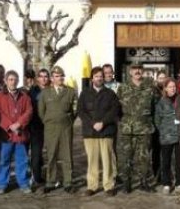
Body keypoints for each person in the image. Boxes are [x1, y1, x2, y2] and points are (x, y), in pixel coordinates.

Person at [77, 67, 120, 197]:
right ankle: (92, 185)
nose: (99, 78)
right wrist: (93, 123)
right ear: (92, 79)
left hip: (106, 130)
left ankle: (109, 185)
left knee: (107, 160)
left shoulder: (110, 94)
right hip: (90, 132)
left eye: (101, 76)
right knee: (92, 160)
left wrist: (103, 123)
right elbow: (81, 111)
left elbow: (114, 110)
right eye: (96, 76)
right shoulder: (85, 93)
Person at [117, 62, 155, 193]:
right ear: (130, 72)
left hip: (144, 128)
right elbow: (117, 108)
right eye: (134, 69)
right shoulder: (123, 87)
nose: (137, 71)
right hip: (128, 128)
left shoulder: (150, 87)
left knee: (143, 157)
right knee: (127, 157)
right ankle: (127, 183)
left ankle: (143, 182)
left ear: (142, 71)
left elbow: (155, 106)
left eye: (139, 69)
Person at [0, 70, 33, 194]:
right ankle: (2, 184)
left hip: (20, 134)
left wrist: (19, 123)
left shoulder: (24, 96)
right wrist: (9, 125)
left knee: (22, 160)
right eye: (10, 79)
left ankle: (23, 183)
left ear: (18, 81)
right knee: (4, 160)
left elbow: (29, 111)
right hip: (6, 135)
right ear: (5, 81)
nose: (13, 82)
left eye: (15, 79)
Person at [39, 66, 77, 194]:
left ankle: (68, 182)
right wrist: (49, 120)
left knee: (67, 155)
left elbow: (75, 111)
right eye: (56, 76)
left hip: (66, 128)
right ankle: (50, 181)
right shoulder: (45, 93)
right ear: (52, 78)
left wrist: (68, 121)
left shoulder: (71, 92)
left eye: (61, 76)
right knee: (51, 156)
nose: (59, 78)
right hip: (51, 129)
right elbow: (41, 111)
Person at [154, 78, 180, 195]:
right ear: (165, 88)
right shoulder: (161, 102)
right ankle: (167, 183)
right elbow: (157, 119)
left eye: (174, 87)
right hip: (166, 136)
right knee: (166, 161)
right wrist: (164, 130)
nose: (172, 89)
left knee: (179, 161)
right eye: (170, 87)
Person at [28, 68, 50, 186]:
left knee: (52, 152)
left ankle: (51, 176)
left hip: (51, 125)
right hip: (36, 126)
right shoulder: (32, 91)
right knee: (36, 153)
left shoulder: (52, 90)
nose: (43, 78)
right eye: (41, 76)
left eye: (46, 76)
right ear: (37, 78)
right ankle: (36, 177)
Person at [151, 70, 167, 182]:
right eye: (160, 78)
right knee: (156, 151)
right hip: (155, 125)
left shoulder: (169, 90)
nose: (162, 80)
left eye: (164, 78)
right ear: (157, 79)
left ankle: (165, 173)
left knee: (166, 151)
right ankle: (156, 174)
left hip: (167, 126)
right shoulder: (152, 91)